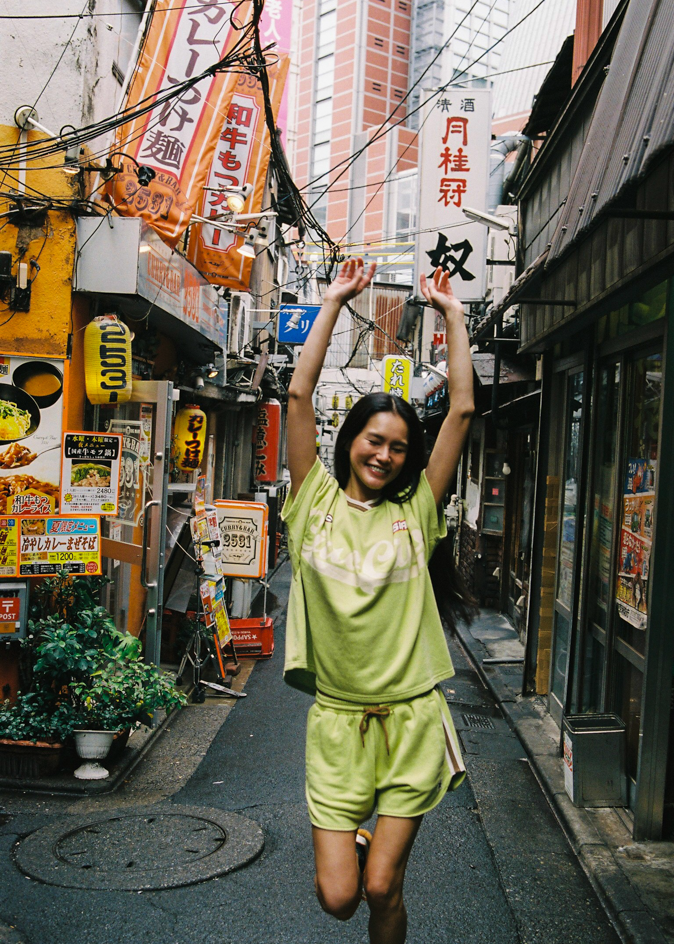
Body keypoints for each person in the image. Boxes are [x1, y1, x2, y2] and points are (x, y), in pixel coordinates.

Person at [282, 258, 475, 944]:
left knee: (383, 890)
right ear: (351, 442)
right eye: (374, 440)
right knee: (339, 898)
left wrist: (452, 312)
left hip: (410, 721)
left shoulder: (417, 512)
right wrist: (333, 301)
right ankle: (359, 861)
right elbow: (299, 398)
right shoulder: (313, 505)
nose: (386, 454)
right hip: (336, 727)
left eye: (399, 447)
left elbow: (462, 408)